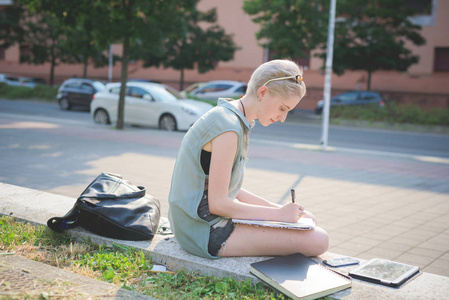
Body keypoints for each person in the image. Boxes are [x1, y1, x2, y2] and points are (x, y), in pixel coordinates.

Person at [168, 59, 329, 259]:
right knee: (319, 240)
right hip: (202, 230)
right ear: (262, 93)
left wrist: (278, 209)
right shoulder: (228, 127)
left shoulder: (231, 116)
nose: (283, 118)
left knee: (308, 219)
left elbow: (227, 187)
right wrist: (278, 216)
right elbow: (218, 204)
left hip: (195, 220)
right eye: (282, 108)